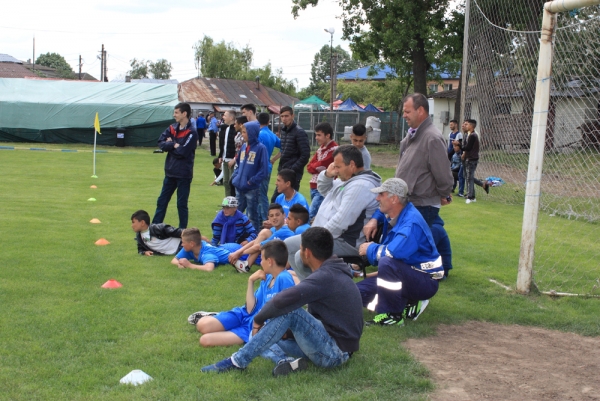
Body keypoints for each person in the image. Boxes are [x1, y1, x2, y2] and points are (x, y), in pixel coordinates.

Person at [201, 227, 364, 377]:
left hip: (335, 353)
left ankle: (237, 361)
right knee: (262, 336)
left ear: (306, 252)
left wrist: (258, 320)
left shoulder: (325, 277)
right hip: (328, 343)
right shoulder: (332, 270)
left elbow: (282, 300)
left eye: (299, 249)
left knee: (289, 312)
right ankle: (285, 361)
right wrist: (285, 331)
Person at [375, 93, 453, 277]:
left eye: (407, 111)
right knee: (405, 247)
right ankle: (407, 278)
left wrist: (444, 193)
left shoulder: (432, 138)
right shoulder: (413, 135)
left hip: (423, 204)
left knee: (410, 248)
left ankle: (420, 281)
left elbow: (443, 174)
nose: (404, 115)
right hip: (411, 203)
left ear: (421, 110)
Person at [285, 145, 381, 281]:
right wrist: (327, 175)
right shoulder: (349, 180)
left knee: (299, 254)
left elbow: (340, 222)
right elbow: (325, 191)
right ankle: (316, 290)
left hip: (346, 241)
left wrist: (316, 239)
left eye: (338, 166)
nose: (336, 170)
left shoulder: (361, 186)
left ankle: (316, 292)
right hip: (333, 236)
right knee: (293, 248)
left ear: (352, 165)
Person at [357, 178, 443, 326]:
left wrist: (369, 248)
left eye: (381, 194)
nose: (377, 198)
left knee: (386, 261)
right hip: (411, 275)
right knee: (355, 294)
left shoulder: (410, 223)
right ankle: (408, 301)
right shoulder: (397, 215)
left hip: (425, 281)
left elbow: (391, 254)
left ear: (394, 199)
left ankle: (393, 315)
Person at [192, 240, 295, 347]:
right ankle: (217, 316)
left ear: (269, 261)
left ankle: (226, 324)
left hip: (255, 326)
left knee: (205, 340)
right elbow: (250, 309)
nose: (260, 262)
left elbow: (288, 311)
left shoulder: (284, 278)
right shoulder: (267, 277)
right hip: (244, 314)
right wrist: (250, 281)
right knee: (202, 325)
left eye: (262, 258)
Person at [153, 102, 198, 229]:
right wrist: (173, 145)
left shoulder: (192, 133)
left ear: (184, 114)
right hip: (170, 172)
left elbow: (183, 152)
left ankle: (183, 231)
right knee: (162, 201)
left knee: (181, 204)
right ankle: (155, 228)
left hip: (184, 174)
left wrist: (171, 145)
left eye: (176, 112)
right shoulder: (172, 128)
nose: (174, 115)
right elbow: (161, 143)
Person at [228, 203, 294, 273]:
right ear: (268, 218)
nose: (274, 217)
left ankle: (247, 265)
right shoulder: (274, 229)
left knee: (264, 235)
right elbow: (256, 241)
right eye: (271, 216)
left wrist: (238, 253)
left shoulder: (284, 231)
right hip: (279, 257)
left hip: (286, 263)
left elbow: (259, 246)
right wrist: (238, 252)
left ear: (284, 215)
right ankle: (246, 264)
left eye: (277, 215)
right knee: (265, 232)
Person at [231, 122, 269, 231]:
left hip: (252, 188)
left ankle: (253, 238)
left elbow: (264, 170)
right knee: (235, 213)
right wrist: (236, 177)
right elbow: (238, 163)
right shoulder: (243, 146)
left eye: (244, 132)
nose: (242, 134)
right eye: (242, 132)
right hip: (239, 186)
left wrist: (251, 181)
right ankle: (234, 235)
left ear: (252, 133)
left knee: (252, 216)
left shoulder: (261, 148)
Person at [270, 106, 310, 202]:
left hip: (293, 175)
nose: (284, 119)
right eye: (282, 116)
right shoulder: (284, 131)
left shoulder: (299, 132)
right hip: (283, 172)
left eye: (286, 116)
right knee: (276, 201)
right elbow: (284, 151)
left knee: (288, 202)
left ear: (292, 116)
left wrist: (292, 169)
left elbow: (305, 155)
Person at [306, 122, 338, 220]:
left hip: (324, 188)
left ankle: (305, 234)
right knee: (316, 216)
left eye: (319, 135)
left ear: (328, 135)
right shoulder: (321, 148)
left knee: (311, 215)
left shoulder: (334, 150)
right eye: (316, 135)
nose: (316, 137)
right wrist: (316, 166)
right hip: (314, 185)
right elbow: (309, 167)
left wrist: (316, 166)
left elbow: (322, 165)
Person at [171, 228, 240, 272]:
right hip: (224, 247)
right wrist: (180, 264)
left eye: (183, 242)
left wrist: (189, 265)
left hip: (236, 251)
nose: (181, 245)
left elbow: (209, 268)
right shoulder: (189, 249)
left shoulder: (207, 253)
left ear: (192, 244)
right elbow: (174, 260)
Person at [455, 119, 489, 204]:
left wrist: (459, 145)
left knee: (469, 177)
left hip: (471, 159)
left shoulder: (473, 135)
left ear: (471, 126)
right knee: (467, 176)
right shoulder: (468, 134)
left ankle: (470, 197)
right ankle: (480, 186)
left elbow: (468, 148)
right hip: (468, 158)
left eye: (466, 124)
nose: (464, 126)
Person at [257, 112, 281, 224]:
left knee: (260, 195)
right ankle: (263, 217)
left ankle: (266, 219)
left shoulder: (259, 134)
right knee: (263, 193)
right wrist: (274, 159)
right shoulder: (272, 135)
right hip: (268, 166)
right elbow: (284, 146)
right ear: (268, 122)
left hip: (259, 167)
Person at [217, 110, 237, 197]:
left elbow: (237, 147)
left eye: (225, 115)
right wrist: (221, 156)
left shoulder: (236, 130)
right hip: (225, 159)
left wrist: (234, 159)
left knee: (232, 182)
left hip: (232, 160)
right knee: (225, 182)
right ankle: (227, 203)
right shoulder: (225, 128)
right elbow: (223, 144)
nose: (223, 117)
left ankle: (233, 203)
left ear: (231, 118)